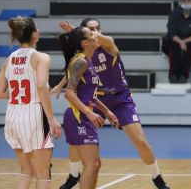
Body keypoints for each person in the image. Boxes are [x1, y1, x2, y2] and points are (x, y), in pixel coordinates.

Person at [52, 19, 170, 189]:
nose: (97, 32)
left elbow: (96, 46)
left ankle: (157, 177)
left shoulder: (107, 45)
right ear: (85, 40)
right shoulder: (85, 56)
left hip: (120, 98)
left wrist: (77, 31)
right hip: (95, 99)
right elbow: (74, 72)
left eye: (98, 29)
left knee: (140, 140)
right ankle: (73, 175)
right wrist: (59, 86)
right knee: (79, 147)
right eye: (92, 30)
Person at [0, 17, 61, 189]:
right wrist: (51, 118)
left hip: (13, 117)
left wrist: (25, 92)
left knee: (26, 171)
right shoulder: (41, 57)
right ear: (34, 35)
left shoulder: (8, 59)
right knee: (43, 176)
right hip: (33, 117)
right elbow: (40, 86)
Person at [59, 26, 120, 189]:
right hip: (78, 116)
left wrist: (106, 110)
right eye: (92, 34)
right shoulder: (79, 61)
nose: (96, 35)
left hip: (85, 116)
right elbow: (69, 93)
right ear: (86, 43)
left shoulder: (88, 61)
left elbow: (89, 95)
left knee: (95, 164)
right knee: (91, 164)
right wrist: (89, 113)